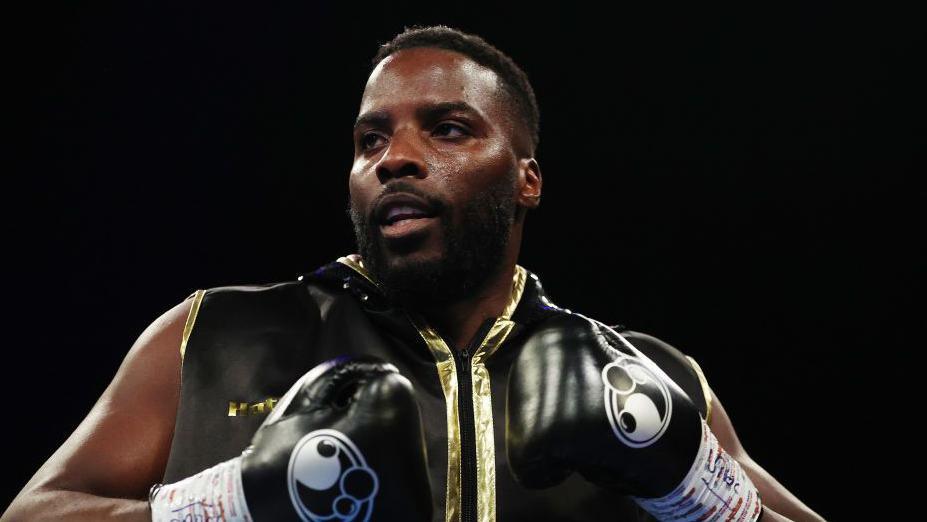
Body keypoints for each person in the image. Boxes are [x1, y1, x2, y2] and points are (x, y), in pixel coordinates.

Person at [3, 25, 825, 522]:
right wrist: (234, 503)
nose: (394, 158)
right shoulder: (211, 334)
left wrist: (689, 482)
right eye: (369, 141)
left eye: (448, 129)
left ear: (526, 178)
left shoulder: (643, 375)